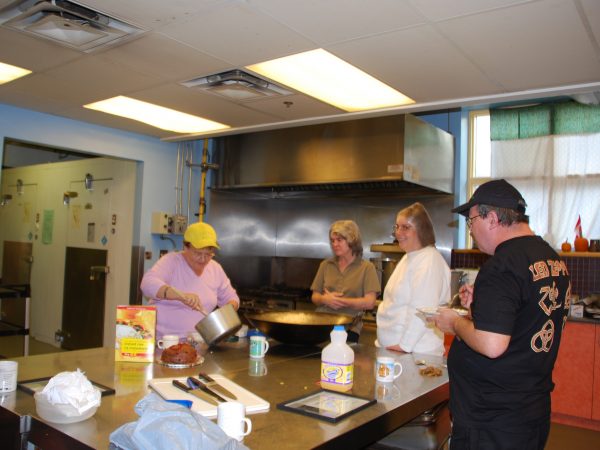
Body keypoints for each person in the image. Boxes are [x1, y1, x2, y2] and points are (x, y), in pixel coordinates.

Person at [433, 179, 571, 450]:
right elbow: (523, 319)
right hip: (530, 412)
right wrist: (480, 307)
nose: (470, 231)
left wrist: (455, 322)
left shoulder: (501, 265)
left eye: (471, 221)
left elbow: (492, 345)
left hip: (492, 420)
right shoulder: (551, 259)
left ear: (492, 218)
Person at [141, 222, 239, 339]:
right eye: (198, 253)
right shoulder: (171, 261)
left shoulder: (215, 268)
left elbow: (231, 298)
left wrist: (227, 313)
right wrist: (180, 295)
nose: (203, 259)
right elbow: (147, 284)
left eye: (208, 254)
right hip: (164, 341)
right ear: (185, 247)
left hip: (200, 342)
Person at [376, 202, 450, 355]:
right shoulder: (409, 257)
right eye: (397, 227)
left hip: (415, 354)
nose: (398, 232)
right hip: (396, 351)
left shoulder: (429, 259)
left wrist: (405, 346)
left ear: (421, 229)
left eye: (406, 227)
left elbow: (423, 308)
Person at [311, 220, 380, 343]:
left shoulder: (367, 268)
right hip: (321, 325)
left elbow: (370, 302)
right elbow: (315, 296)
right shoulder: (325, 265)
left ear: (352, 241)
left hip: (349, 328)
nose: (335, 244)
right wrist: (324, 300)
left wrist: (341, 302)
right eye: (332, 241)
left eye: (339, 240)